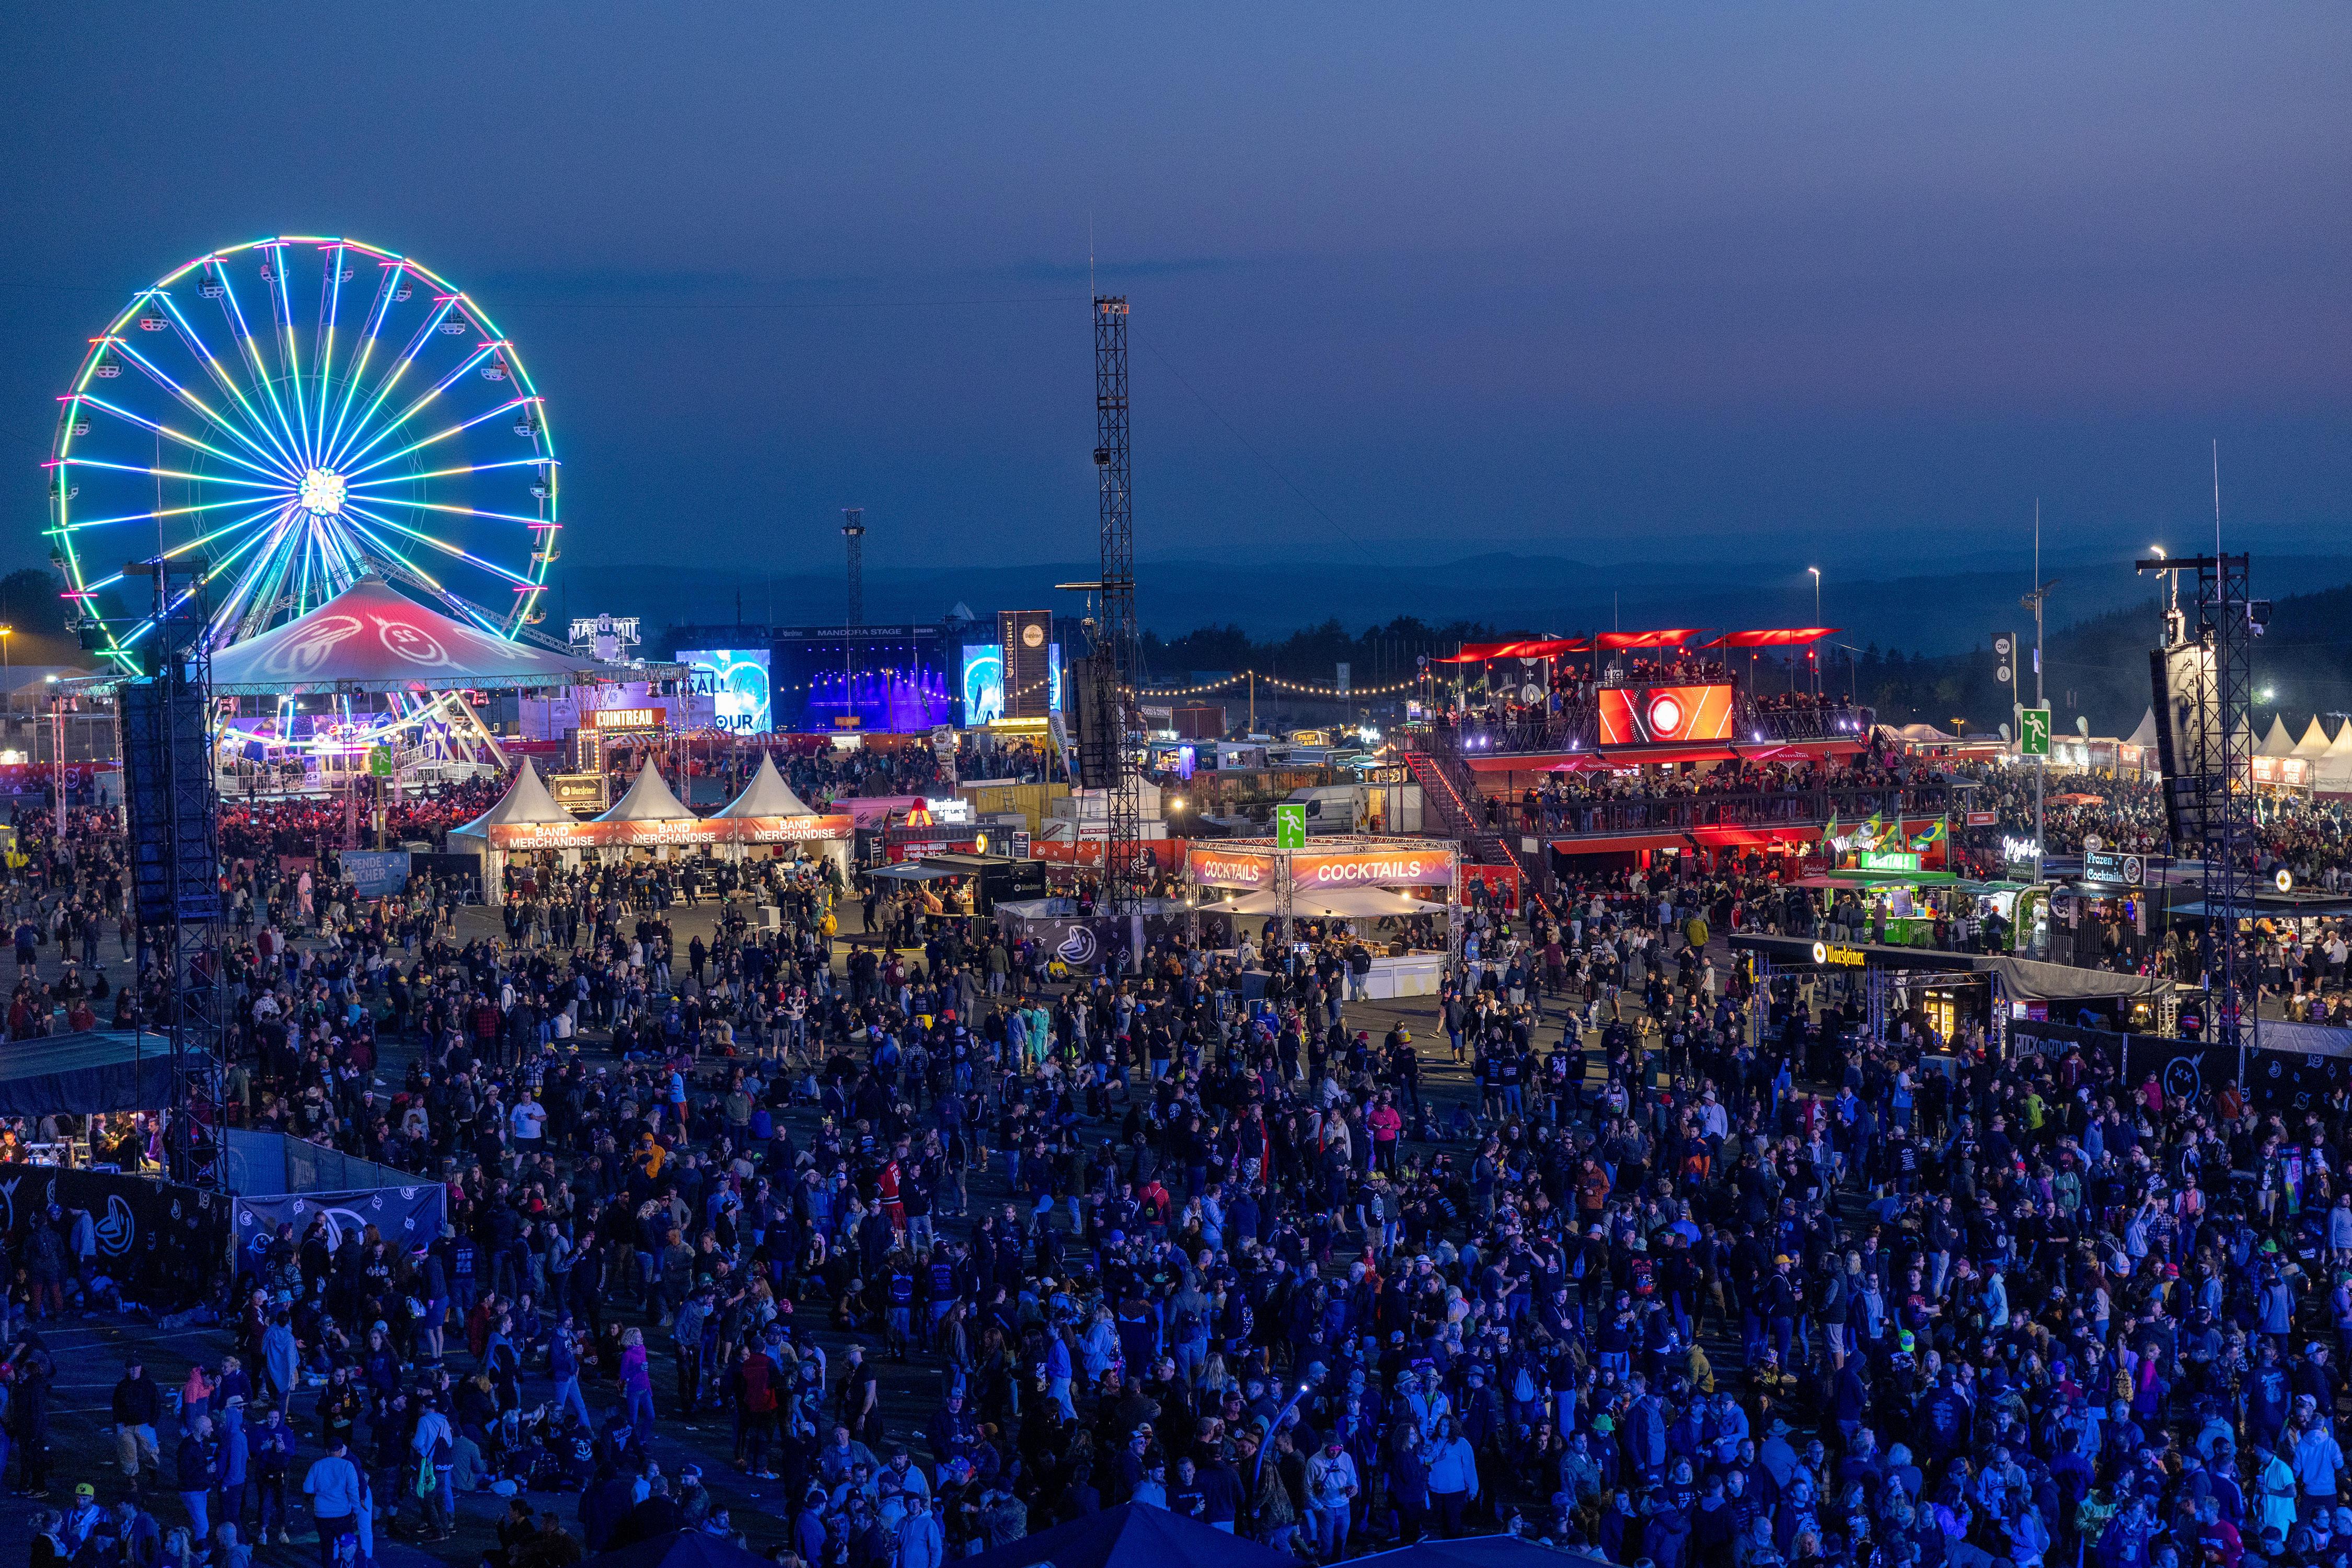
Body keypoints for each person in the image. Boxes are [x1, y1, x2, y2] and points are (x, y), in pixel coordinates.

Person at [301, 1435, 362, 1567]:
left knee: (326, 1547)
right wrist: (357, 1510)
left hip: (322, 1514)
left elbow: (308, 1488)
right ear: (340, 1451)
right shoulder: (347, 1466)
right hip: (342, 1515)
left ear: (327, 1451)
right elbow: (353, 1491)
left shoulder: (317, 1466)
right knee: (347, 1547)